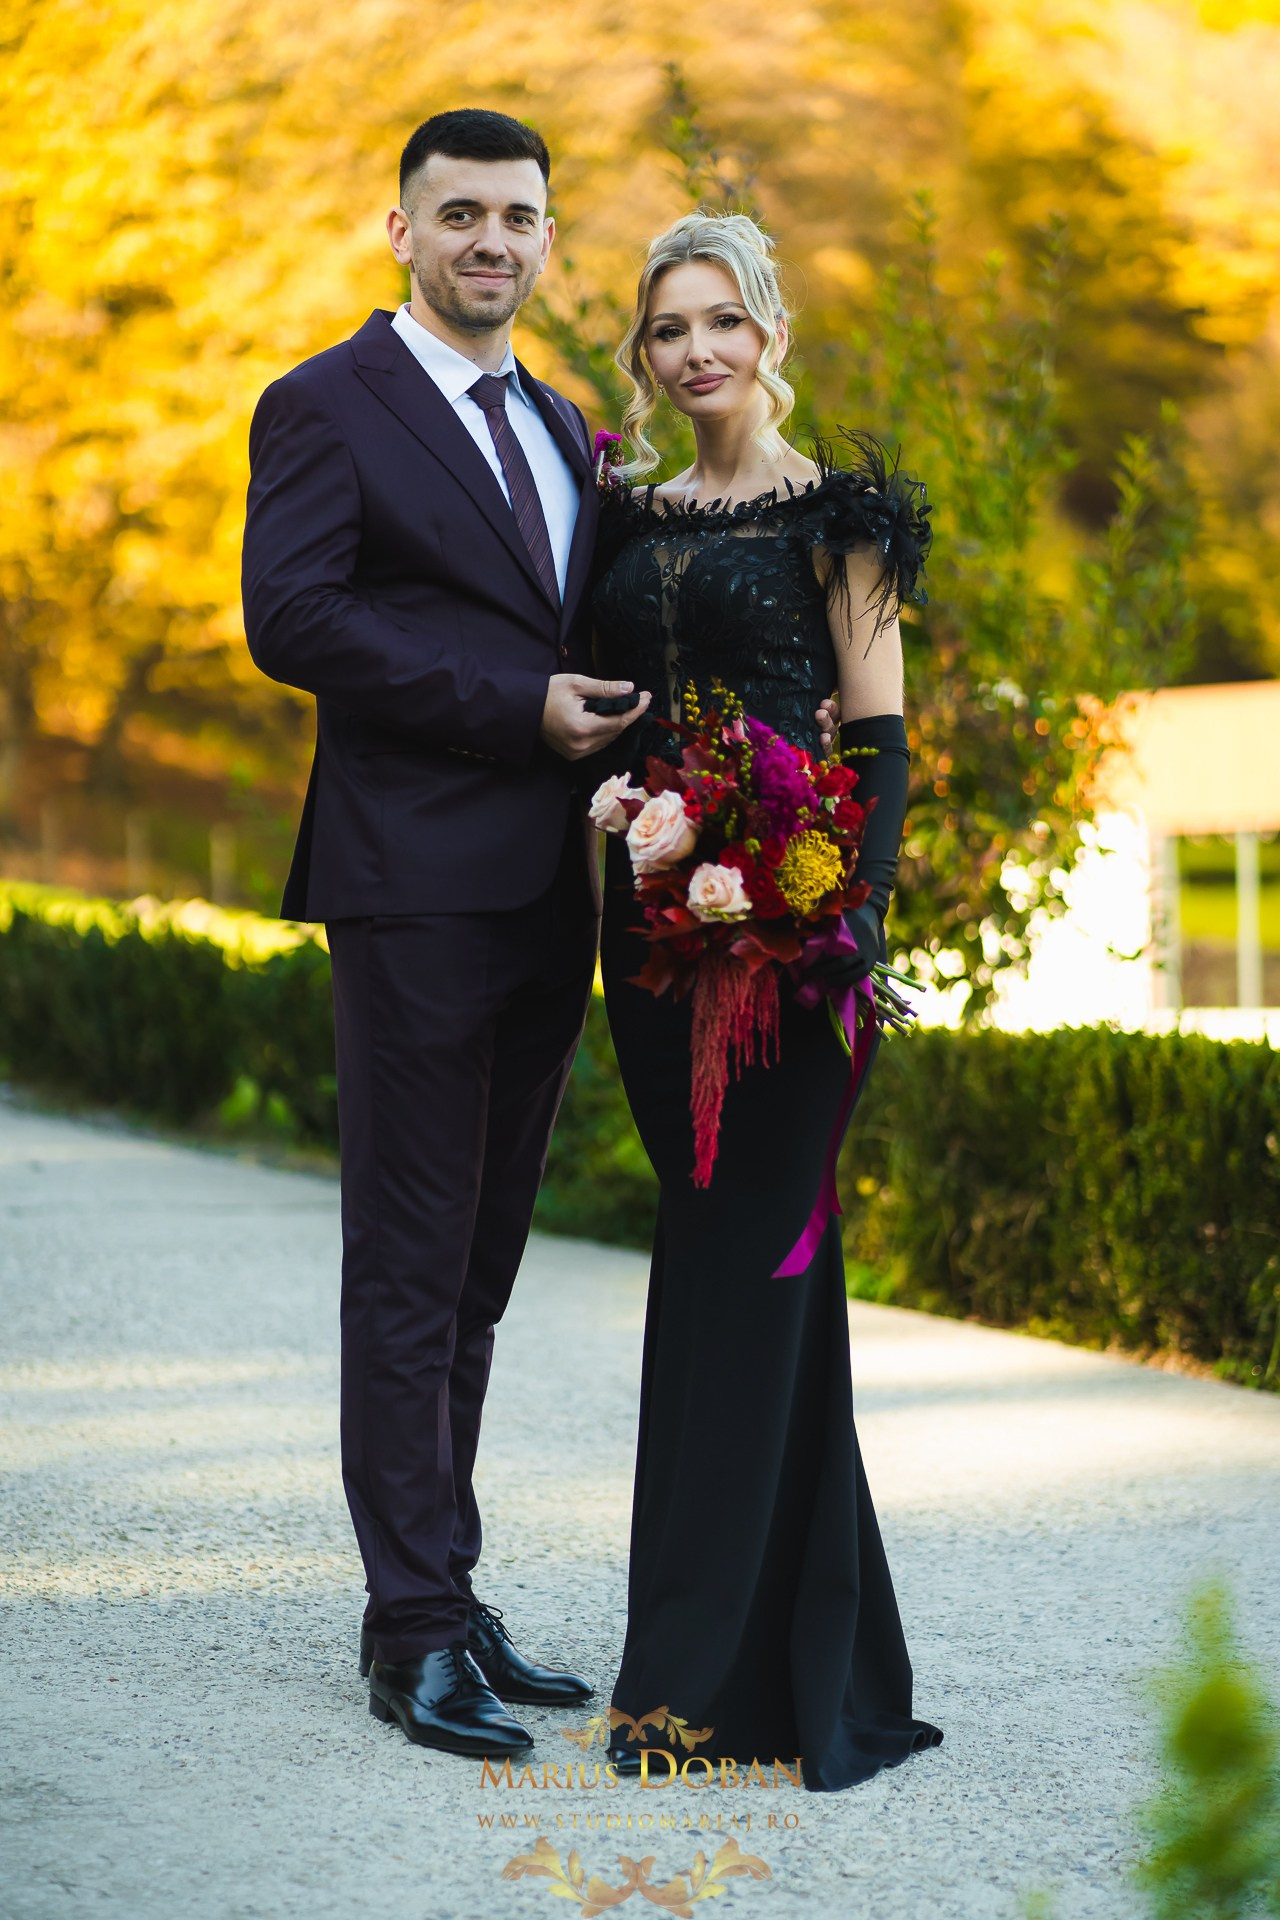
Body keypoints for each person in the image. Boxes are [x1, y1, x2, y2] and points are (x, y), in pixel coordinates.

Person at [241, 108, 653, 1759]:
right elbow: (294, 617)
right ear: (400, 230)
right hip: (410, 886)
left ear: (548, 236)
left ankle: (447, 1589)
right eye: (461, 213)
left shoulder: (561, 421)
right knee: (408, 1271)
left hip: (553, 893)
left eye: (520, 216)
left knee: (478, 1274)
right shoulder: (323, 402)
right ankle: (408, 1632)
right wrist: (512, 705)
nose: (493, 241)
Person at [591, 212, 943, 1790]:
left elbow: (879, 741)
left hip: (795, 957)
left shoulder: (840, 523)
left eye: (722, 320)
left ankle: (694, 1689)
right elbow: (616, 725)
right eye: (669, 329)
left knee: (757, 1269)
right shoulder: (623, 520)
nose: (697, 352)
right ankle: (812, 1663)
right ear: (646, 352)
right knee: (715, 1268)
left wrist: (846, 921)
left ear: (772, 332)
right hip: (655, 943)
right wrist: (622, 810)